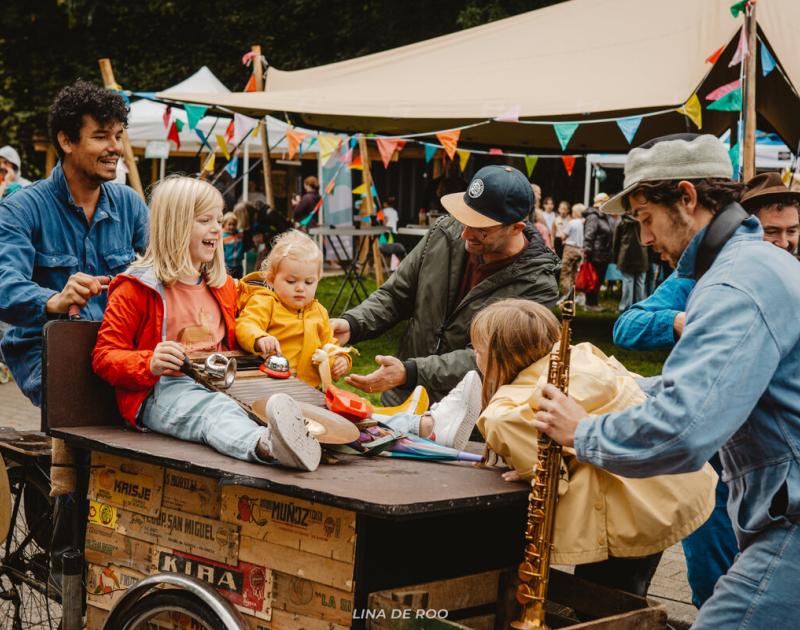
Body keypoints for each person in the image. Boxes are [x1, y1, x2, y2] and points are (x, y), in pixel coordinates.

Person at [533, 134, 800, 628]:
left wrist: (583, 432)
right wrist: (613, 385)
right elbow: (710, 386)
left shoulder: (735, 283)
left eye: (644, 219)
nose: (646, 238)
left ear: (687, 198)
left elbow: (683, 428)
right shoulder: (744, 269)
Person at [92, 177, 321, 472]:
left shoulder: (222, 286)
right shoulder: (136, 288)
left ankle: (341, 435)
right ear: (175, 226)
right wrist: (149, 361)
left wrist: (274, 333)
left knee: (276, 400)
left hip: (222, 383)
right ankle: (268, 446)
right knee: (214, 411)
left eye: (218, 219)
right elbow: (103, 357)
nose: (217, 228)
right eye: (205, 220)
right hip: (165, 390)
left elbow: (261, 314)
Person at [331, 165, 560, 406]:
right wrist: (353, 324)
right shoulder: (444, 232)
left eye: (480, 229)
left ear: (516, 228)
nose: (465, 234)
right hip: (402, 397)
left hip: (464, 416)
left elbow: (487, 358)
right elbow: (396, 295)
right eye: (464, 218)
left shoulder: (537, 284)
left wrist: (411, 372)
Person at [0, 80, 149, 406]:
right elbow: (4, 286)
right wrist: (53, 299)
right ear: (67, 141)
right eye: (101, 137)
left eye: (118, 136)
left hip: (116, 346)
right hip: (45, 346)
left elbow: (163, 268)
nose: (115, 147)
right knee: (85, 409)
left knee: (161, 400)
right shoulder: (21, 208)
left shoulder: (131, 205)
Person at [236, 230, 351, 388]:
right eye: (291, 281)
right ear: (271, 279)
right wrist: (259, 338)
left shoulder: (319, 312)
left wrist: (340, 359)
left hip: (311, 390)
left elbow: (329, 344)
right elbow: (245, 325)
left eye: (309, 282)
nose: (300, 288)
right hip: (270, 385)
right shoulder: (266, 303)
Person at [582, 192, 613, 310]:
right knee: (592, 279)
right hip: (595, 254)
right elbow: (589, 235)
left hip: (603, 254)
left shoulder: (603, 217)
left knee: (598, 280)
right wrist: (587, 251)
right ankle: (590, 304)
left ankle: (594, 303)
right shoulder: (594, 216)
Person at [613, 212, 648, 312]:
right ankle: (639, 307)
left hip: (626, 255)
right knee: (640, 283)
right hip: (642, 255)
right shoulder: (643, 221)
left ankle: (625, 308)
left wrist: (615, 258)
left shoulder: (622, 222)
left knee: (628, 282)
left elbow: (616, 241)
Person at [559, 203, 584, 295]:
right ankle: (576, 294)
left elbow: (563, 236)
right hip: (580, 249)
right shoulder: (584, 222)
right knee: (576, 273)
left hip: (570, 249)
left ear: (576, 212)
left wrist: (559, 227)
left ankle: (567, 295)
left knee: (565, 272)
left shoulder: (572, 222)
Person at [222, 212, 244, 279]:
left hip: (238, 264)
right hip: (228, 265)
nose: (232, 227)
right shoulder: (223, 236)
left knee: (239, 281)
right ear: (224, 224)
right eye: (229, 224)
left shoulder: (239, 234)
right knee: (229, 281)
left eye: (234, 224)